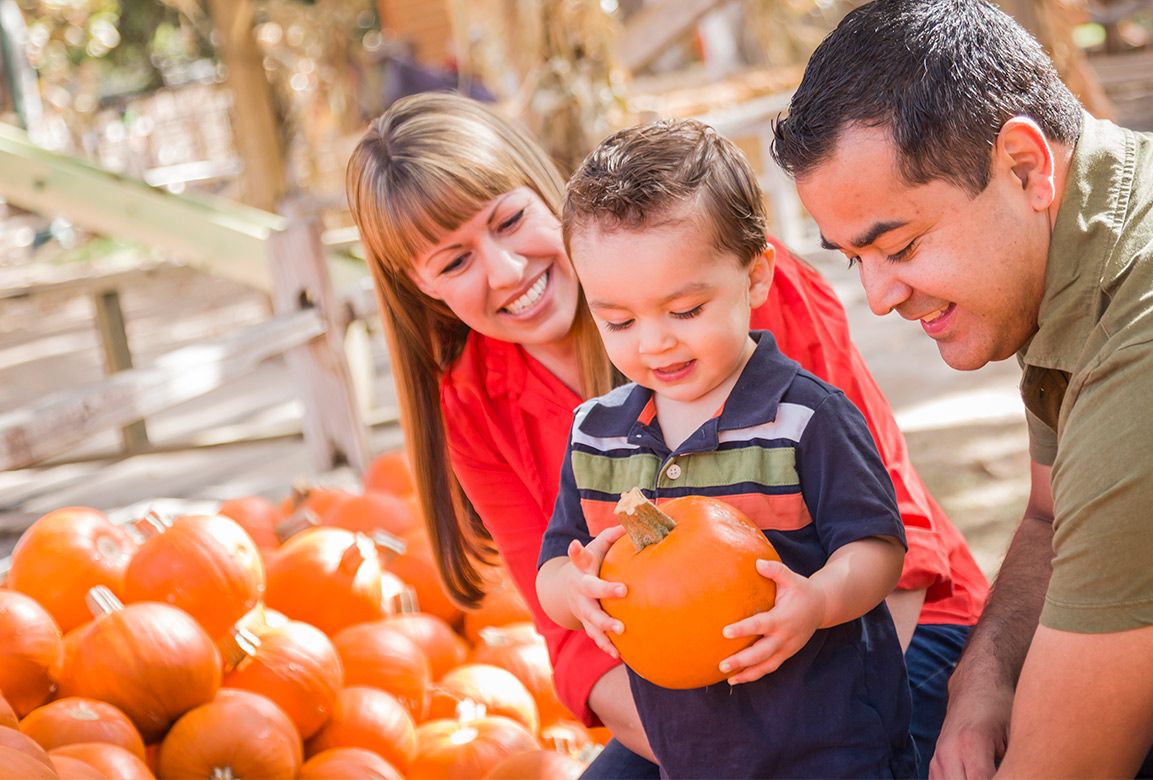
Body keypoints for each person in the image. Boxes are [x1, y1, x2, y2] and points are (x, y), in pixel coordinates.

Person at [345, 90, 987, 776]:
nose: (506, 271)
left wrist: (800, 735)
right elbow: (573, 637)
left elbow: (896, 543)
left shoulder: (732, 292)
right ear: (421, 290)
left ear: (546, 195)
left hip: (879, 642)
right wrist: (716, 755)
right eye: (454, 262)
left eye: (509, 221)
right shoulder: (474, 404)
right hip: (694, 714)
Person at [771, 0, 1153, 776]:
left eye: (901, 245)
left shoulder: (1148, 354)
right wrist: (982, 676)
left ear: (1025, 166)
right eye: (857, 259)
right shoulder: (1071, 241)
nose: (880, 296)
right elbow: (1052, 515)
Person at [535, 118, 917, 778]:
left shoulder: (804, 419)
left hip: (831, 746)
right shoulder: (595, 437)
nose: (653, 342)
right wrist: (577, 590)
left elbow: (877, 547)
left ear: (757, 277)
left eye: (684, 310)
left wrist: (819, 599)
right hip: (693, 756)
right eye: (618, 320)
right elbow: (551, 567)